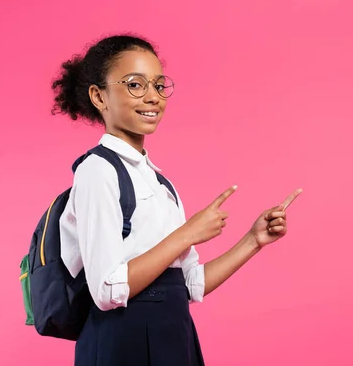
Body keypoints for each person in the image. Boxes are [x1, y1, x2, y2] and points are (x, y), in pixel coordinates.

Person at [51, 34, 302, 365]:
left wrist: (253, 241)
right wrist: (188, 233)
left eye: (158, 85)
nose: (152, 97)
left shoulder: (159, 181)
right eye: (135, 85)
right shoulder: (97, 171)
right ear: (99, 96)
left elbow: (189, 284)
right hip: (122, 342)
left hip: (173, 334)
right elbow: (107, 291)